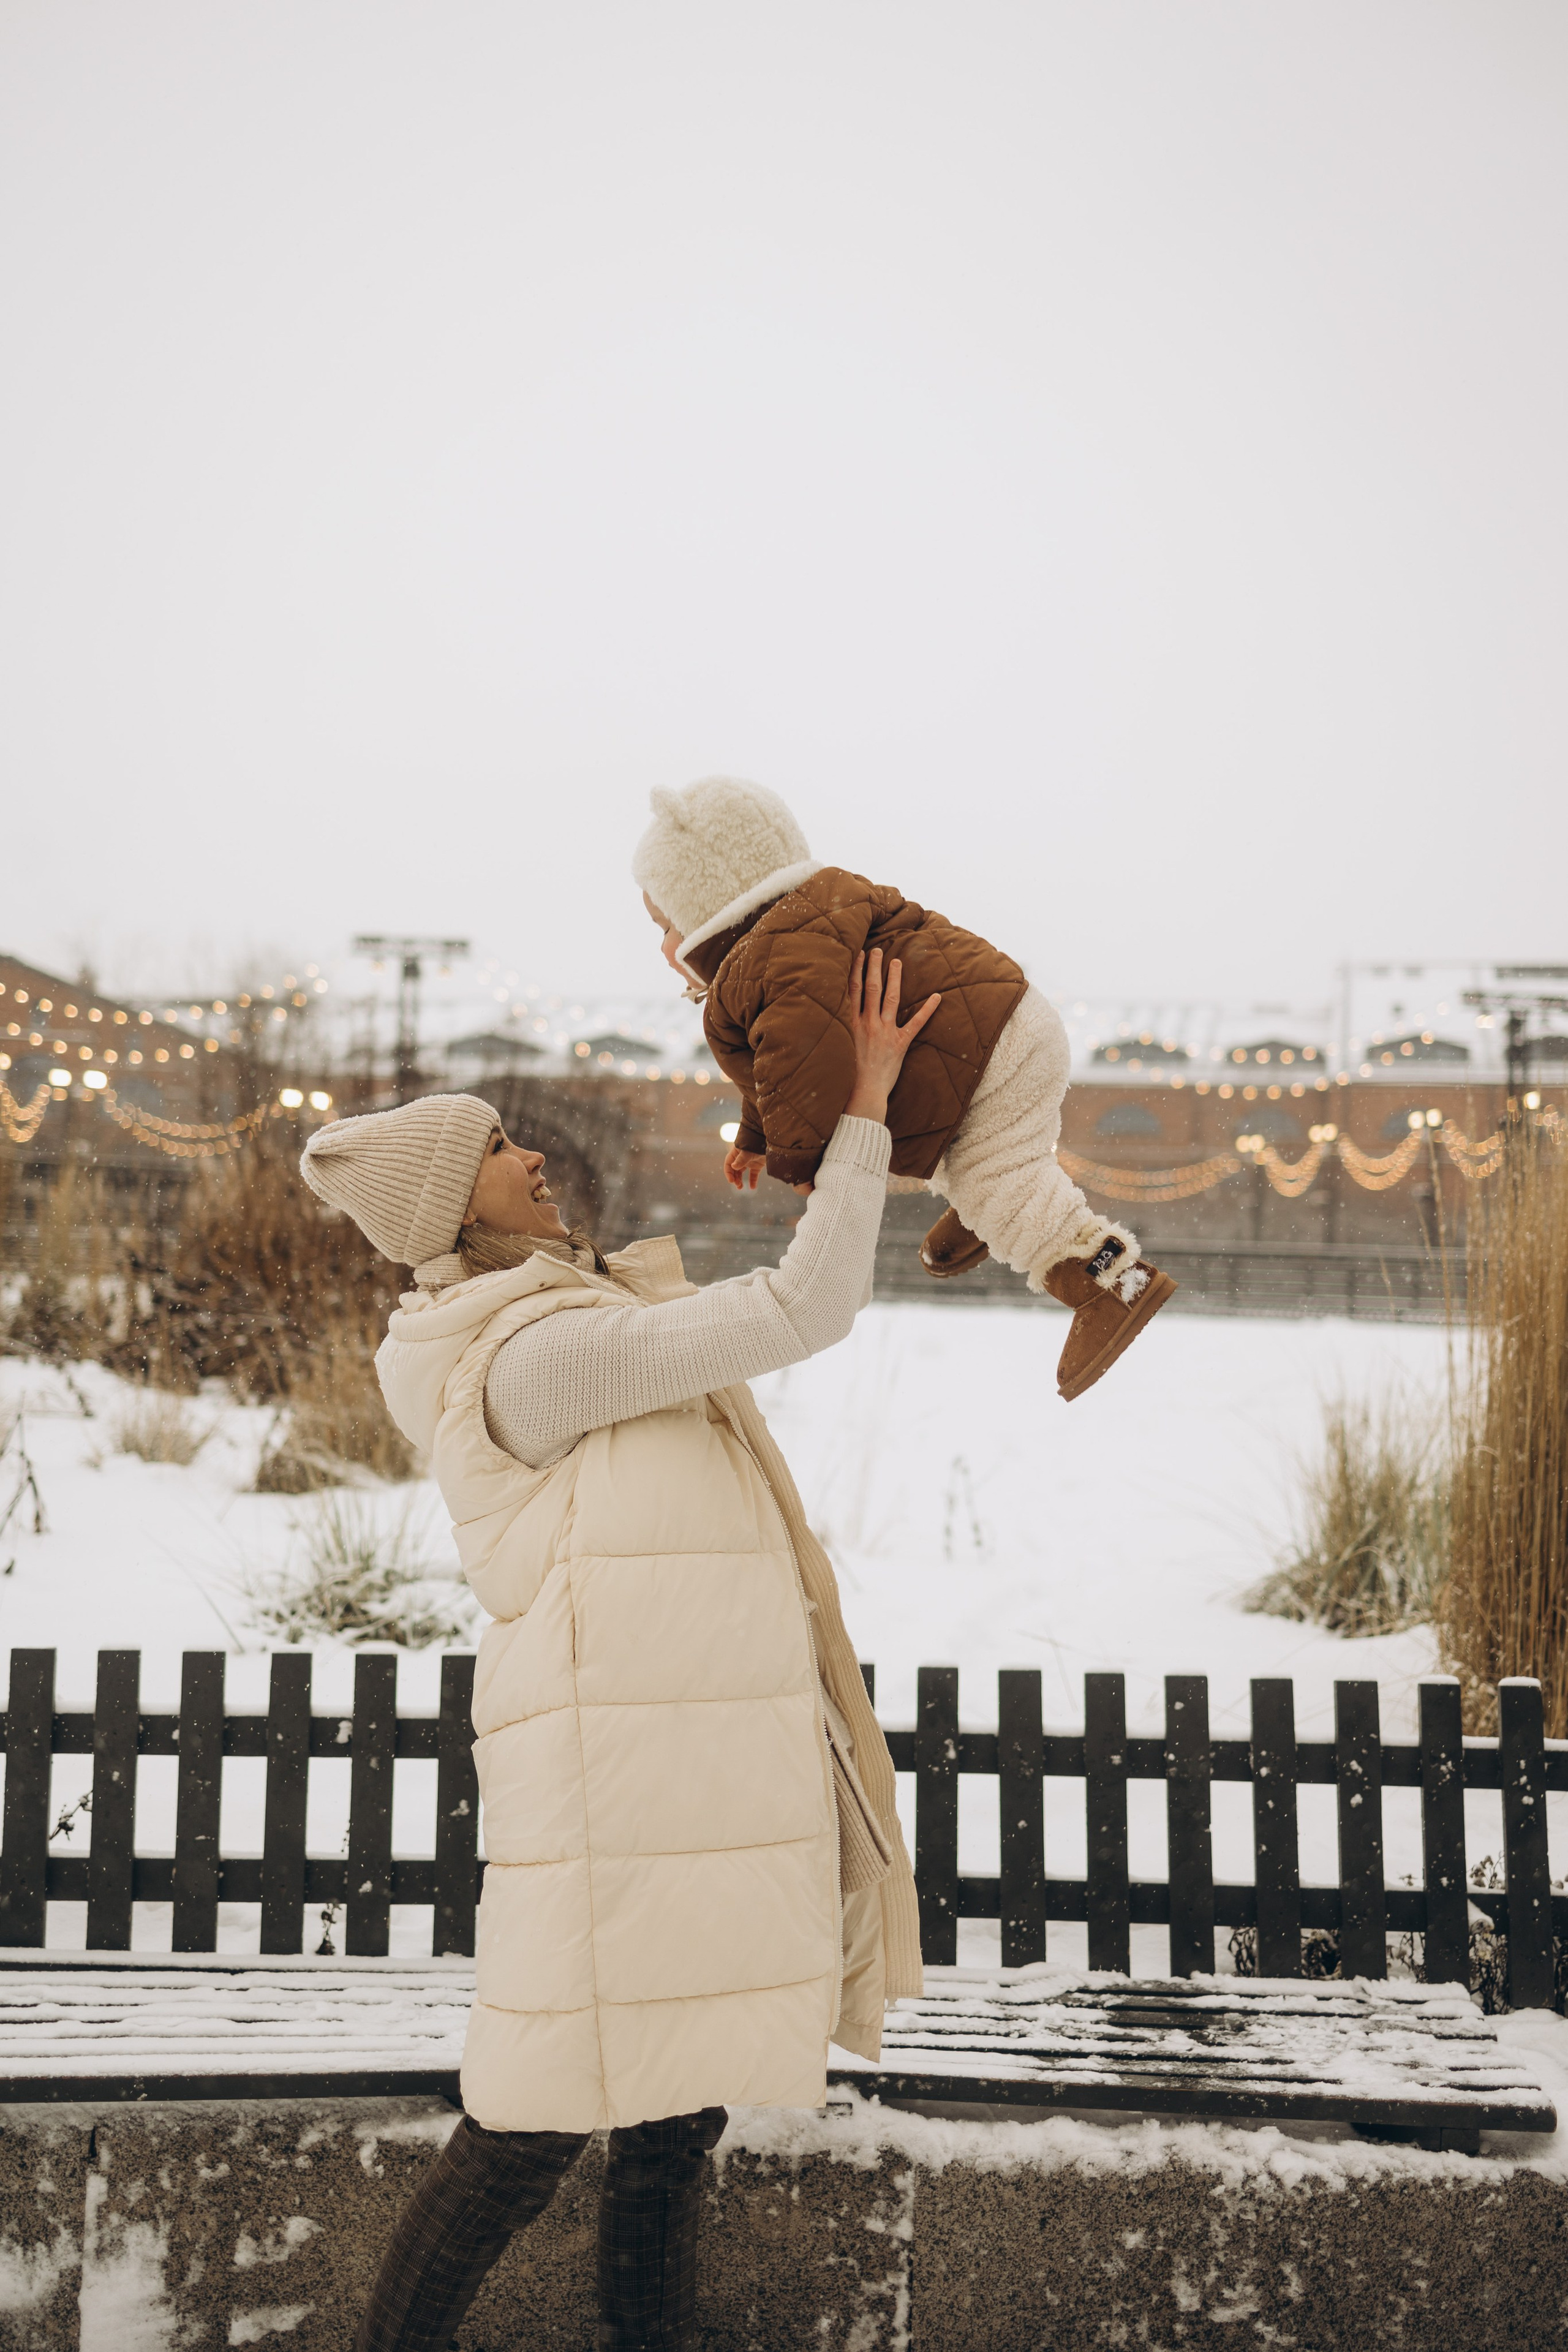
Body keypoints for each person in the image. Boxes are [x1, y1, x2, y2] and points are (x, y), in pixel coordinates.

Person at [298, 949, 932, 2352]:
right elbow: (796, 1309)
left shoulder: (563, 1319)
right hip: (617, 1796)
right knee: (525, 2129)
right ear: (450, 1205)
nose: (532, 1156)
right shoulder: (527, 1356)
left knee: (668, 2122)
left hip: (668, 1780)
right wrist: (865, 1111)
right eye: (497, 1150)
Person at [633, 775, 1177, 1402]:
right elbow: (777, 1058)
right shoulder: (806, 915)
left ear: (708, 904)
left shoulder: (764, 960)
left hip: (983, 1061)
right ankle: (986, 1210)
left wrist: (800, 1161)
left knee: (995, 1174)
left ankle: (1110, 1283)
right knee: (961, 1145)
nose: (663, 946)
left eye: (665, 924)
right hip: (999, 1030)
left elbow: (801, 1063)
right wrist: (757, 1133)